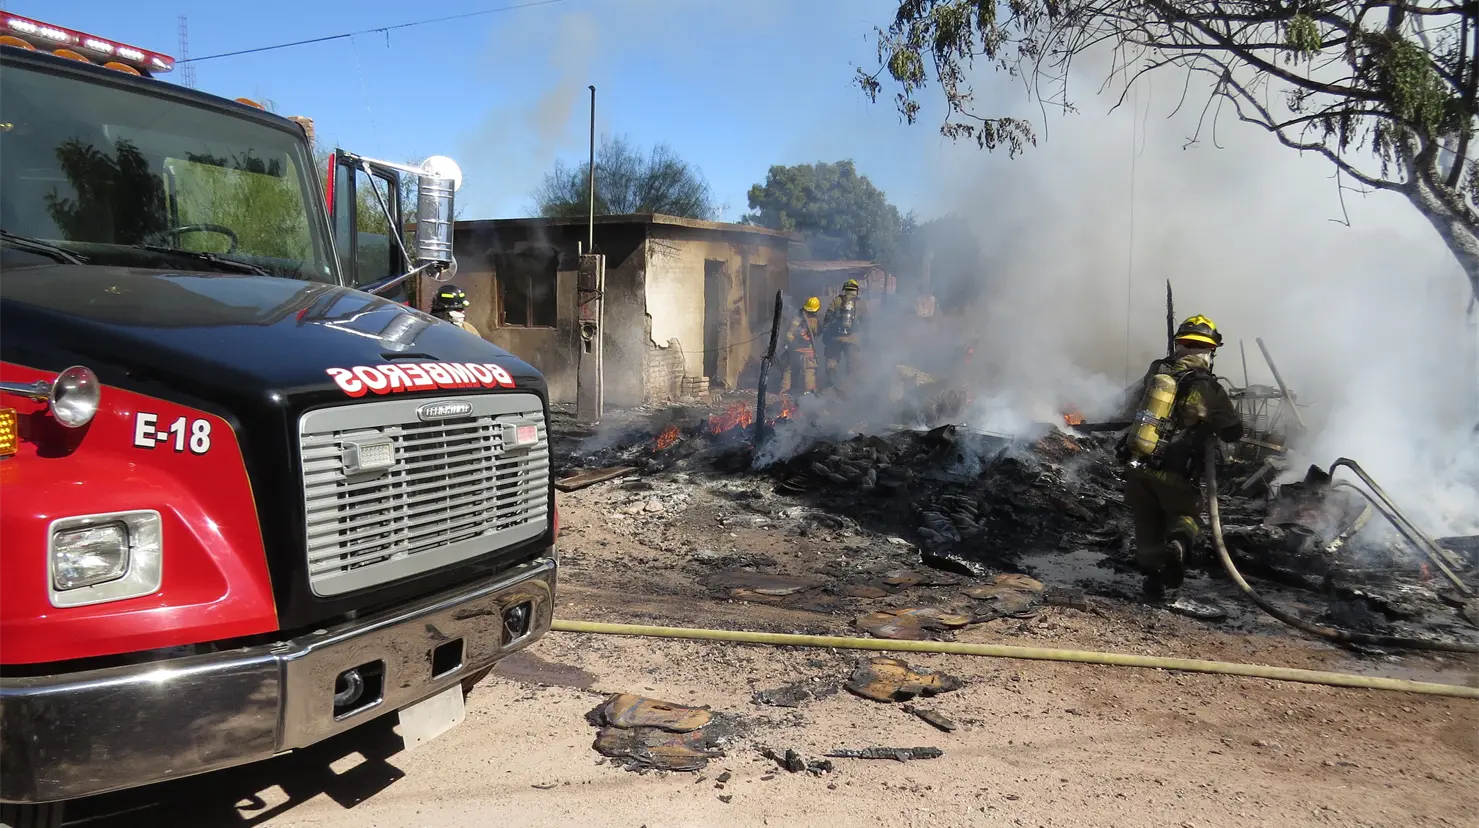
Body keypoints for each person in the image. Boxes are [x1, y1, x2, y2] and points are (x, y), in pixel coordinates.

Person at [1118, 314, 1244, 602]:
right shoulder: (1209, 386)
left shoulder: (1157, 372)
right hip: (1177, 473)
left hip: (1139, 466)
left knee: (1147, 523)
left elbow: (1129, 405)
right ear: (1210, 350)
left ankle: (1153, 583)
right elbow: (1233, 432)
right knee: (1186, 517)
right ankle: (1177, 545)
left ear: (1179, 345)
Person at [822, 279, 865, 386]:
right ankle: (851, 385)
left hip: (836, 336)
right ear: (856, 291)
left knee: (832, 360)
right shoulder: (861, 304)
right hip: (852, 337)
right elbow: (866, 322)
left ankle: (832, 383)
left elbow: (828, 317)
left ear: (844, 290)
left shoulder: (837, 300)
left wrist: (827, 332)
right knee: (853, 362)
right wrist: (865, 337)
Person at [780, 296, 822, 396]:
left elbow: (789, 335)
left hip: (793, 351)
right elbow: (818, 333)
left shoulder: (796, 318)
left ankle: (784, 394)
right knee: (809, 372)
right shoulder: (814, 321)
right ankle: (809, 395)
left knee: (788, 371)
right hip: (807, 352)